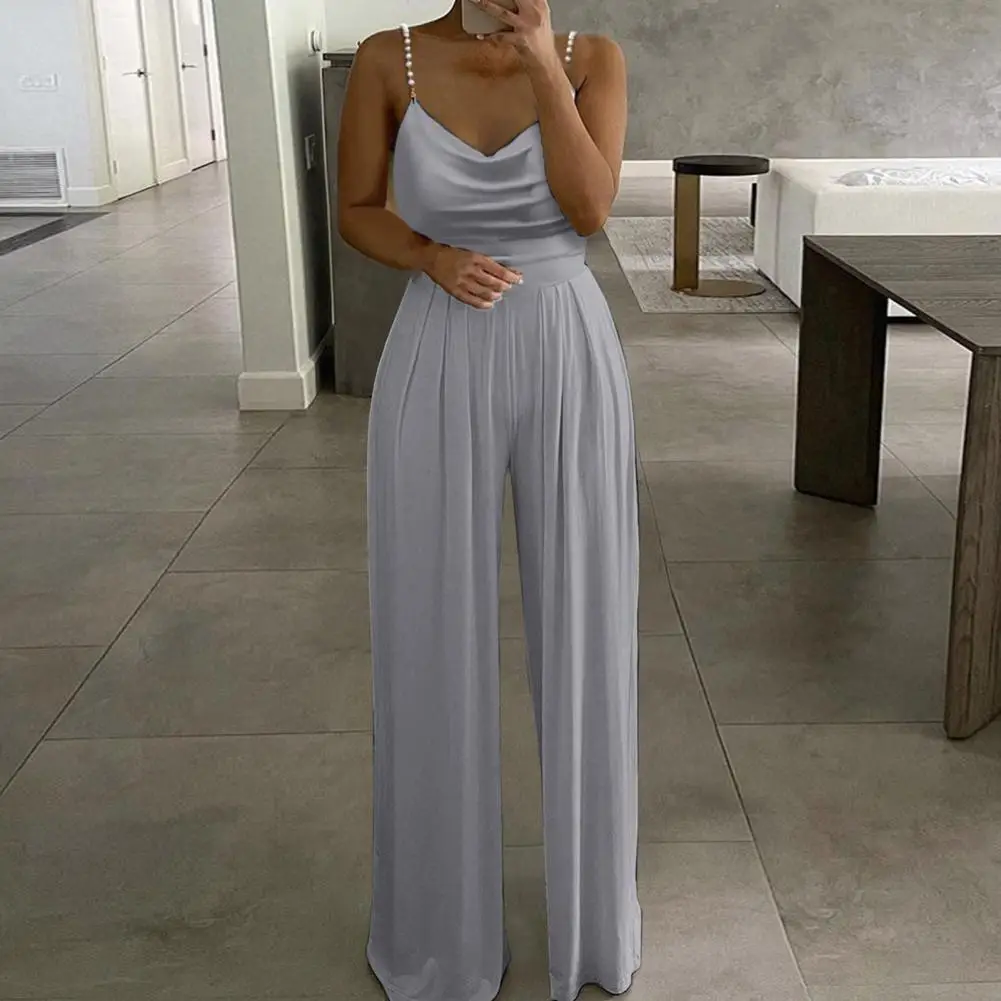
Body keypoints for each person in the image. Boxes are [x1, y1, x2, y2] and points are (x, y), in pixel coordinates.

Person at [337, 2, 640, 999]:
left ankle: (592, 932)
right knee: (426, 623)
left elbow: (590, 211)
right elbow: (357, 207)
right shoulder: (387, 59)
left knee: (587, 624)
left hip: (565, 341)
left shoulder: (593, 58)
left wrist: (544, 66)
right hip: (436, 339)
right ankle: (439, 937)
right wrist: (428, 256)